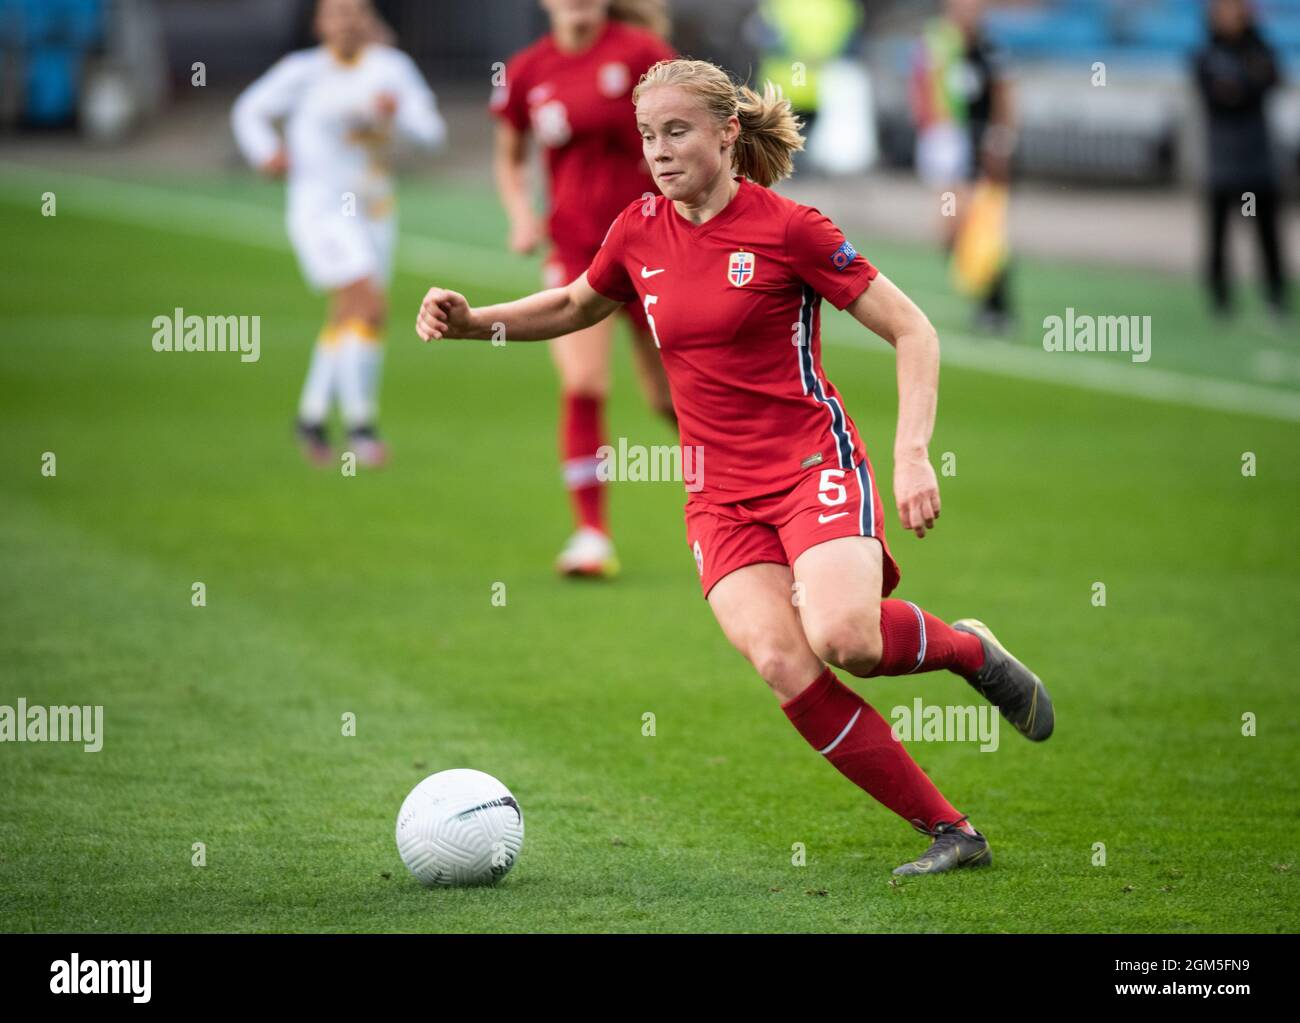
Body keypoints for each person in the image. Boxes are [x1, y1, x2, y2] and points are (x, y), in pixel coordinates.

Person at [417, 58, 1054, 876]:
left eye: (676, 131)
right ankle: (952, 832)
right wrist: (477, 324)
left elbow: (914, 330)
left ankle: (970, 651)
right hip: (717, 496)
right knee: (784, 660)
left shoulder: (792, 228)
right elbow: (577, 303)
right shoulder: (638, 228)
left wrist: (911, 453)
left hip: (811, 465)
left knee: (844, 638)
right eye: (647, 135)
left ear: (727, 132)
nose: (658, 151)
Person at [491, 0, 677, 577]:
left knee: (673, 399)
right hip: (576, 255)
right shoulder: (527, 69)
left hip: (654, 247)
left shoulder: (641, 54)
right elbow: (509, 155)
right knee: (583, 381)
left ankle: (751, 493)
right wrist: (522, 214)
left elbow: (693, 121)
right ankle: (591, 533)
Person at [232, 0, 446, 467]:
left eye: (355, 13)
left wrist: (402, 117)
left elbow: (433, 133)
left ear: (367, 20)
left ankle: (310, 417)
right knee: (369, 305)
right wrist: (265, 151)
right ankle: (361, 425)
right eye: (337, 14)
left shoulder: (392, 68)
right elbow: (249, 110)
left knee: (348, 311)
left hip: (375, 212)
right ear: (320, 23)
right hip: (321, 211)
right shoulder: (302, 71)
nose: (347, 23)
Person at [909, 0, 1016, 332]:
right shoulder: (937, 43)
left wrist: (1001, 138)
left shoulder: (989, 49)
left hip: (979, 148)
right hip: (947, 144)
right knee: (948, 230)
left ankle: (995, 302)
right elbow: (921, 86)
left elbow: (1004, 94)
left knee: (978, 224)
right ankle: (981, 289)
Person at [1193, 0, 1290, 319]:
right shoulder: (1206, 54)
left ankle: (1276, 297)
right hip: (1222, 165)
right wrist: (1244, 88)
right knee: (1219, 236)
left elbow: (1268, 81)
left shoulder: (1259, 48)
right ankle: (1220, 300)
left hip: (1257, 163)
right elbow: (1219, 96)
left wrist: (1241, 88)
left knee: (1267, 234)